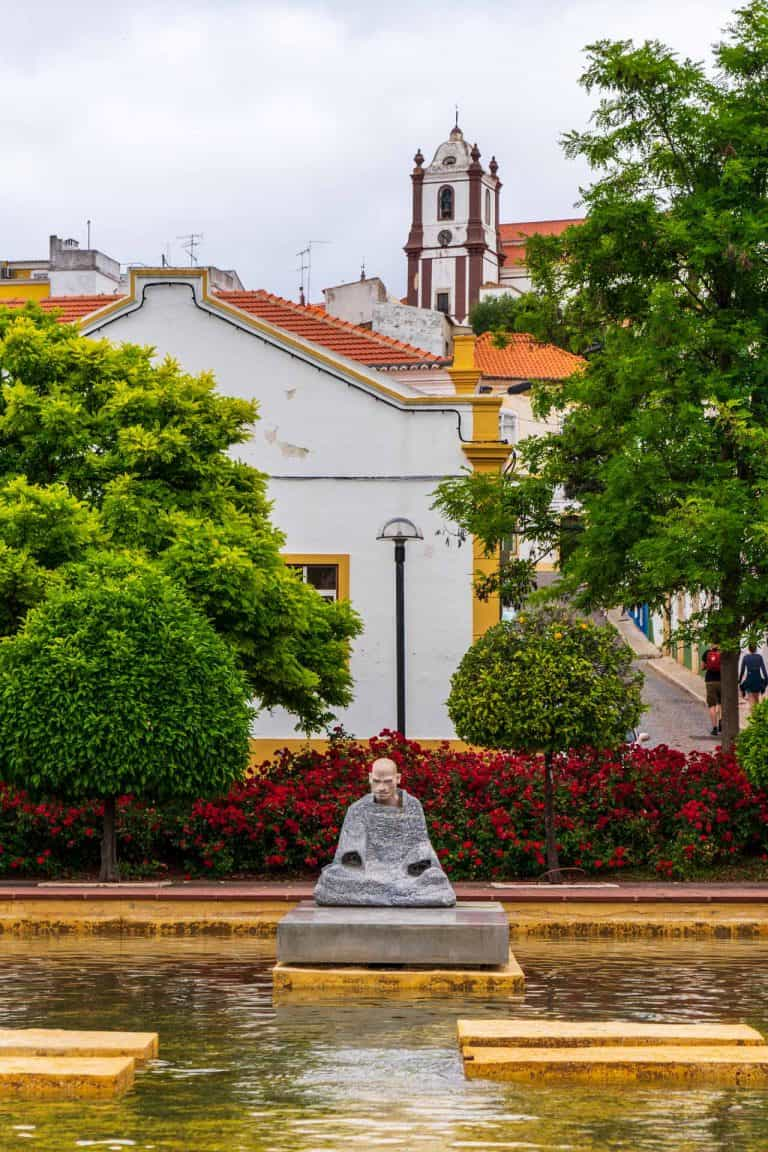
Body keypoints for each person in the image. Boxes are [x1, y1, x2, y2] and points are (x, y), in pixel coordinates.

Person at [313, 756, 456, 907]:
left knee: (434, 878)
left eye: (387, 781)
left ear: (398, 778)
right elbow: (349, 852)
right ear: (369, 778)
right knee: (333, 878)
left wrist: (409, 869)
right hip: (368, 871)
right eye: (376, 781)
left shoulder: (412, 805)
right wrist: (367, 869)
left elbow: (420, 845)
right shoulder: (358, 809)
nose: (381, 787)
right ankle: (393, 891)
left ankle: (387, 890)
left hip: (405, 870)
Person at [739, 644, 768, 715]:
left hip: (749, 679)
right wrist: (765, 682)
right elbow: (764, 671)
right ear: (756, 649)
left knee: (751, 700)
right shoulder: (759, 657)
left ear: (749, 649)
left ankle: (753, 718)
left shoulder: (746, 658)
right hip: (758, 679)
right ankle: (757, 718)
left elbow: (742, 671)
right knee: (757, 700)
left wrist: (740, 681)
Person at [701, 643, 721, 736]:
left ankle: (714, 728)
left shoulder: (706, 653)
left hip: (710, 681)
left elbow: (702, 667)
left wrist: (708, 665)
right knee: (721, 703)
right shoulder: (723, 653)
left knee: (712, 705)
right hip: (722, 681)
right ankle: (721, 722)